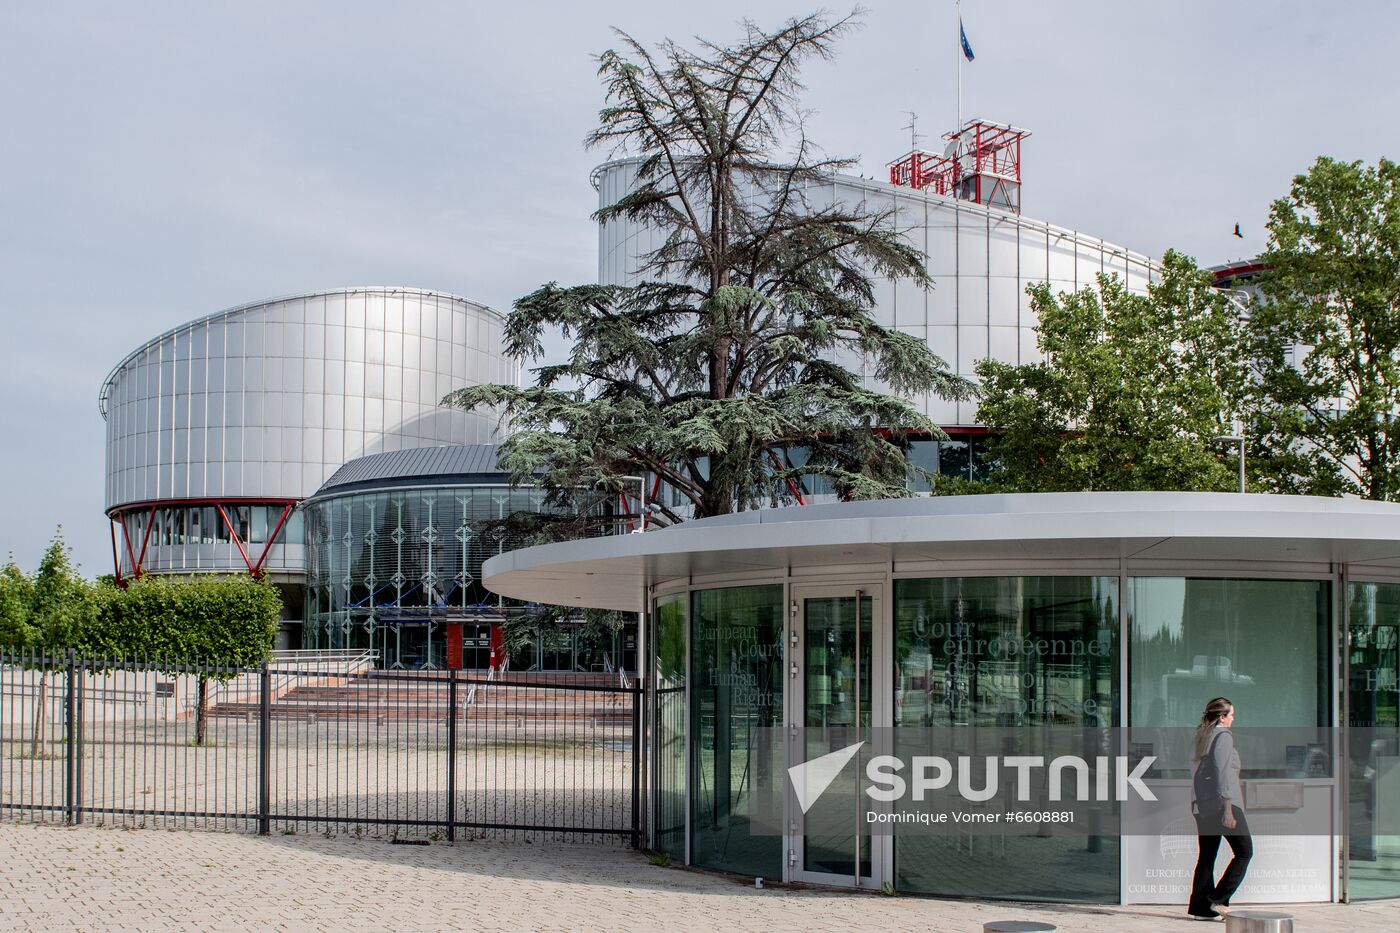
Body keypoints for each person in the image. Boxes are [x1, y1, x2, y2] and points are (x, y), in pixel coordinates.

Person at [1188, 696, 1252, 921]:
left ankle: (1200, 909)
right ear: (1222, 717)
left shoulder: (1201, 736)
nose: (1233, 719)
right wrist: (1227, 808)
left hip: (1202, 806)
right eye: (1231, 715)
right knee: (1245, 852)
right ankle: (1216, 901)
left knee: (1207, 856)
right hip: (1222, 804)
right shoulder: (1223, 736)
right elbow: (1223, 773)